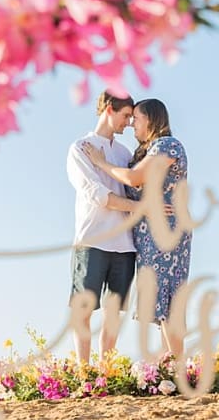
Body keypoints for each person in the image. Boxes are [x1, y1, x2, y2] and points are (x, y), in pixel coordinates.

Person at [82, 98, 192, 358]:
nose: (132, 125)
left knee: (166, 294)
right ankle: (169, 364)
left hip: (166, 230)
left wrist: (100, 162)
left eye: (137, 119)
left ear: (151, 120)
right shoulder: (145, 151)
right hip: (148, 235)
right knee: (157, 297)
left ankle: (177, 366)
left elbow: (134, 179)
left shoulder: (168, 146)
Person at [66, 90, 143, 364]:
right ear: (109, 109)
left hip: (125, 245)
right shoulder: (80, 149)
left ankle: (105, 373)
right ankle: (84, 372)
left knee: (114, 317)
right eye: (126, 116)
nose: (129, 123)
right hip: (92, 240)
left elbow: (135, 186)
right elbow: (98, 196)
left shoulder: (125, 154)